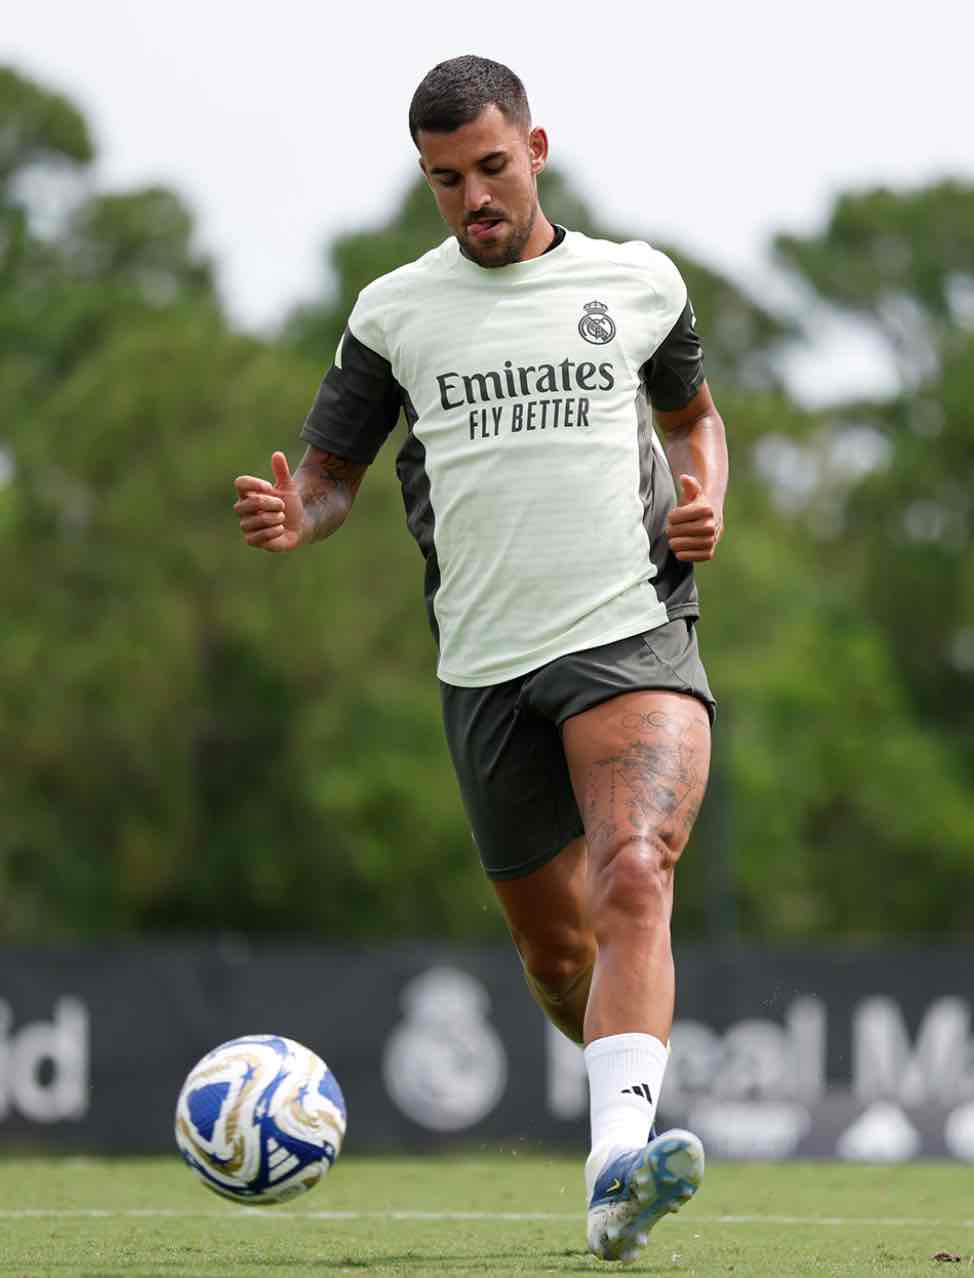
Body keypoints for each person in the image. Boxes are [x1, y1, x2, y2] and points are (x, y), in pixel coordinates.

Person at [233, 55, 728, 1264]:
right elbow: (332, 477)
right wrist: (301, 515)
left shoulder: (637, 281)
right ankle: (624, 1097)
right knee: (557, 957)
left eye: (491, 168)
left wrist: (704, 494)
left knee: (633, 873)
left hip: (629, 631)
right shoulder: (391, 313)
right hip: (485, 666)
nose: (474, 199)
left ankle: (614, 1171)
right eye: (445, 180)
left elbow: (691, 419)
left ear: (535, 149)